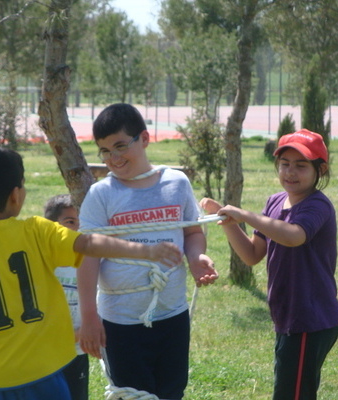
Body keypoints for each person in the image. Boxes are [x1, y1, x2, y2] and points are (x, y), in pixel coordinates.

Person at [0, 146, 182, 400]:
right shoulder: (36, 230)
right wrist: (146, 252)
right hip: (43, 373)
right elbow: (89, 244)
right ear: (16, 194)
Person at [78, 103, 219, 400]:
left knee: (171, 392)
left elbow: (192, 232)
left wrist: (196, 259)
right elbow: (88, 256)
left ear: (144, 138)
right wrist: (89, 316)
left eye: (120, 146)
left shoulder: (176, 183)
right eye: (104, 151)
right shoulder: (102, 194)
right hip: (121, 322)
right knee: (132, 395)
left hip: (172, 315)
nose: (113, 159)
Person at [200, 129, 338, 400]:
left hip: (310, 319)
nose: (290, 172)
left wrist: (245, 214)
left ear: (320, 170)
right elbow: (252, 254)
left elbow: (293, 236)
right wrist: (229, 223)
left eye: (301, 166)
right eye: (284, 164)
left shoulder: (317, 206)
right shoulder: (275, 201)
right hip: (288, 315)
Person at [44, 194, 89, 400]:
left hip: (77, 352)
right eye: (70, 222)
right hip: (45, 354)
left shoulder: (87, 263)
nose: (77, 229)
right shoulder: (42, 264)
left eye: (81, 223)